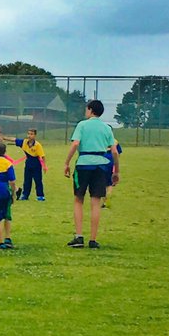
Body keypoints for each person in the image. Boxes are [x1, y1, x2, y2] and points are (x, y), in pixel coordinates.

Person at [64, 99, 119, 248]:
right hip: (101, 166)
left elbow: (75, 144)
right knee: (95, 202)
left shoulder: (82, 125)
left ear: (90, 110)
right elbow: (114, 151)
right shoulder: (107, 128)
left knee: (78, 200)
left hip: (83, 164)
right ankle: (93, 240)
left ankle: (79, 236)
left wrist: (67, 163)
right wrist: (116, 171)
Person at [16, 128, 47, 201]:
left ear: (35, 135)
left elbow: (42, 156)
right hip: (28, 164)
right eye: (28, 134)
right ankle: (25, 195)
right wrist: (3, 137)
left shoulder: (37, 145)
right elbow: (14, 140)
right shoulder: (24, 142)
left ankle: (40, 195)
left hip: (36, 164)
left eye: (31, 134)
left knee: (38, 180)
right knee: (27, 180)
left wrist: (44, 166)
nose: (29, 136)